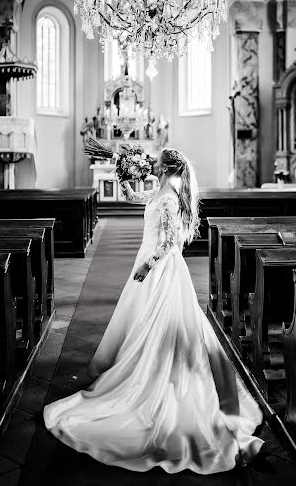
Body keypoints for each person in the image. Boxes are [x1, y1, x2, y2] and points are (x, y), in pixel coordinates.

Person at [43, 148, 264, 474]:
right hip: (151, 264)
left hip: (160, 269)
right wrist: (121, 174)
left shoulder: (170, 198)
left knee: (159, 320)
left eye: (158, 162)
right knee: (143, 320)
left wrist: (148, 265)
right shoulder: (158, 191)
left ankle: (156, 377)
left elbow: (169, 241)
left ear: (166, 169)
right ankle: (142, 363)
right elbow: (134, 197)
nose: (153, 164)